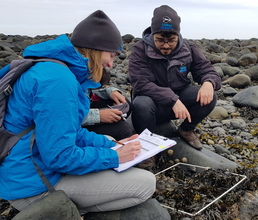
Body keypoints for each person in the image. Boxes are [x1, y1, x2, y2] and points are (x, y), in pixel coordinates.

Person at [0, 10, 155, 215]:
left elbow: (69, 131)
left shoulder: (52, 69)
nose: (110, 64)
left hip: (24, 168)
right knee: (146, 184)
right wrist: (114, 157)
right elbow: (59, 156)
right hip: (32, 185)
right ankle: (62, 211)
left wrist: (113, 145)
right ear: (95, 49)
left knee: (108, 137)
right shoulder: (58, 82)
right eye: (111, 55)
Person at [129, 5, 221, 150]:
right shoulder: (140, 49)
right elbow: (141, 84)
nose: (166, 45)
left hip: (180, 100)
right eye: (159, 40)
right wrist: (172, 99)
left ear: (178, 36)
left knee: (210, 96)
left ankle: (185, 129)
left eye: (171, 40)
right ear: (153, 35)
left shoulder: (188, 47)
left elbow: (206, 69)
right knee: (142, 103)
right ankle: (145, 143)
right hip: (152, 105)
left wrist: (209, 82)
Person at [82, 69, 135, 140]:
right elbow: (67, 117)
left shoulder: (80, 69)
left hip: (85, 108)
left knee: (125, 103)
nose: (110, 65)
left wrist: (109, 92)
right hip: (75, 125)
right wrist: (99, 116)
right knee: (124, 129)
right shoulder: (68, 78)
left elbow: (88, 93)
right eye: (111, 57)